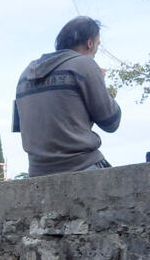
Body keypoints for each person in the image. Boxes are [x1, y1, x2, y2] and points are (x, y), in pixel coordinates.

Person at [12, 16, 121, 176]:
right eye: (98, 44)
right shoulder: (84, 65)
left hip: (37, 171)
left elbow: (22, 125)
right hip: (81, 166)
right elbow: (111, 122)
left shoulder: (25, 75)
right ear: (90, 43)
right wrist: (101, 84)